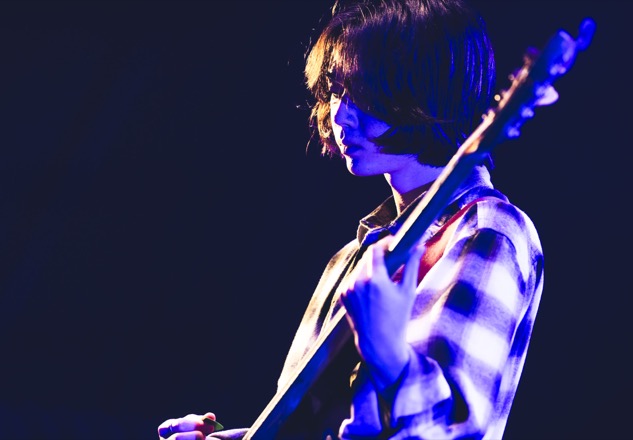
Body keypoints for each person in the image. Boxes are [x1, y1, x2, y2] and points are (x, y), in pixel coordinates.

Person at [158, 0, 545, 438]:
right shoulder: (351, 257)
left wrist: (389, 356)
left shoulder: (488, 230)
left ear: (425, 92)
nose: (340, 114)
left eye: (362, 92)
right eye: (336, 90)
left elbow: (449, 431)